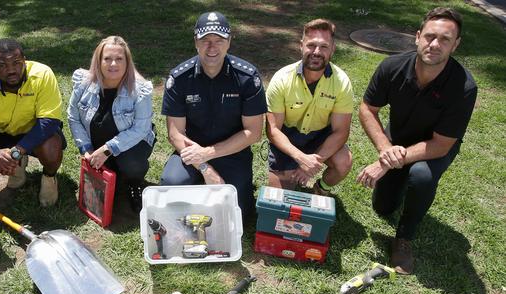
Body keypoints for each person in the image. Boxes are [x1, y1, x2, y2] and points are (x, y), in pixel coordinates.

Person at [357, 7, 477, 274]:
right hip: (397, 140)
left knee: (421, 176)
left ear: (455, 45)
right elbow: (367, 108)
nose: (435, 44)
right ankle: (399, 182)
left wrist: (387, 163)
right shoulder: (392, 67)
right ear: (418, 36)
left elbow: (441, 144)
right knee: (383, 208)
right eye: (430, 36)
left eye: (445, 39)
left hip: (436, 147)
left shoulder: (463, 87)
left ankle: (404, 238)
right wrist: (385, 150)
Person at [160, 11, 267, 217]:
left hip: (232, 151)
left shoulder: (247, 77)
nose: (212, 47)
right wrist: (204, 166)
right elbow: (175, 134)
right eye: (205, 40)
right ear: (196, 43)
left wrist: (208, 153)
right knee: (172, 184)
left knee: (239, 213)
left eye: (219, 40)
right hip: (191, 152)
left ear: (229, 42)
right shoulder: (179, 78)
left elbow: (253, 133)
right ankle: (200, 181)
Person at [0, 38, 65, 207]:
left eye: (16, 62)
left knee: (51, 146)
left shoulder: (42, 74)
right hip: (5, 132)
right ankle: (17, 167)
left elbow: (50, 121)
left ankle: (48, 178)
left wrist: (15, 152)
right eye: (2, 65)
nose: (11, 70)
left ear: (24, 60)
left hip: (37, 130)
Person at [67, 36, 155, 213]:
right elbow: (73, 117)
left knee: (131, 164)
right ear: (98, 61)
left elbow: (141, 129)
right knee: (109, 172)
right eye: (107, 58)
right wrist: (86, 148)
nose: (113, 64)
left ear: (127, 62)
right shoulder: (83, 83)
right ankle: (110, 172)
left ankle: (134, 184)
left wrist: (108, 149)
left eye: (119, 59)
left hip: (133, 143)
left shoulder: (140, 90)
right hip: (97, 144)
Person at [265, 19, 353, 195]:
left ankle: (321, 188)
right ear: (301, 46)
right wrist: (300, 158)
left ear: (333, 49)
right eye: (311, 45)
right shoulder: (281, 79)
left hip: (320, 136)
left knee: (344, 162)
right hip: (287, 138)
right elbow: (273, 130)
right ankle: (289, 172)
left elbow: (341, 132)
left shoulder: (342, 82)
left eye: (324, 47)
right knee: (280, 199)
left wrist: (312, 164)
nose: (317, 52)